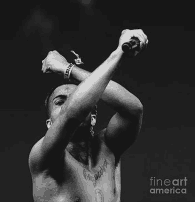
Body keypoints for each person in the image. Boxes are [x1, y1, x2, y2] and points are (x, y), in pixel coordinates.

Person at [28, 29, 148, 202]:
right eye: (60, 102)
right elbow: (71, 114)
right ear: (49, 124)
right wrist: (118, 53)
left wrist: (67, 69)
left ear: (93, 117)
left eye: (75, 97)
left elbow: (133, 109)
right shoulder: (44, 156)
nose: (66, 106)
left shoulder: (109, 147)